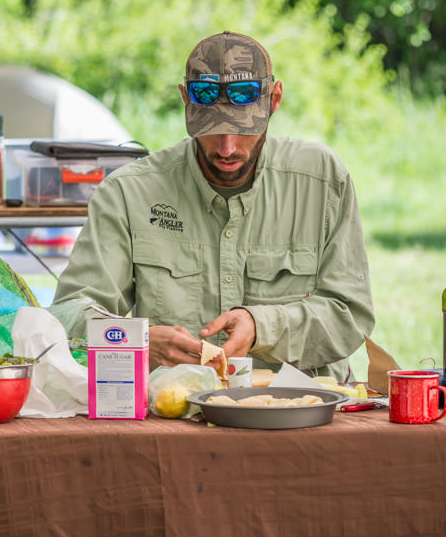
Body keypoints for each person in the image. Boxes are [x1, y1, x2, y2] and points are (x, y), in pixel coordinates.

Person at [53, 31, 374, 380]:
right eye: (210, 128)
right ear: (184, 100)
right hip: (176, 411)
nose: (226, 148)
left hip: (301, 408)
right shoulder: (129, 193)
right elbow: (68, 317)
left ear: (274, 100)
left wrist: (261, 326)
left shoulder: (321, 180)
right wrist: (138, 341)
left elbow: (350, 317)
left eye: (242, 128)